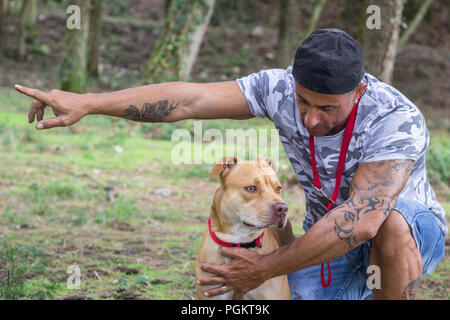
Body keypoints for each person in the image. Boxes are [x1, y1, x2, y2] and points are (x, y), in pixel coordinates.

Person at [14, 28, 446, 300]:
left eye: (328, 109)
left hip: (403, 231)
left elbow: (363, 220)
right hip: (324, 236)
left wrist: (268, 267)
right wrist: (88, 103)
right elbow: (188, 100)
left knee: (389, 225)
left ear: (358, 92)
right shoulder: (277, 88)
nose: (311, 119)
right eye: (302, 102)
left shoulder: (394, 117)